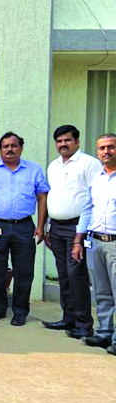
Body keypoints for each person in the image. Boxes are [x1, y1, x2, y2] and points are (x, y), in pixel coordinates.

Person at [0, 132, 49, 326]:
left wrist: (41, 226)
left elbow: (42, 197)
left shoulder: (34, 170)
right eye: (5, 146)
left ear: (21, 148)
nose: (9, 149)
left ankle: (20, 311)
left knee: (24, 271)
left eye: (13, 145)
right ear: (0, 149)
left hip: (24, 226)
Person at [43, 125, 98, 337]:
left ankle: (84, 324)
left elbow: (93, 199)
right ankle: (68, 319)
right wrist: (49, 227)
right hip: (57, 227)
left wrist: (81, 234)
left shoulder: (89, 164)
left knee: (77, 275)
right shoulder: (53, 166)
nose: (63, 144)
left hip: (78, 228)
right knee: (64, 275)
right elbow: (54, 197)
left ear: (77, 141)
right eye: (59, 141)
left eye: (67, 140)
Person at [74, 134, 116, 355]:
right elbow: (87, 209)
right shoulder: (96, 178)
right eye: (102, 148)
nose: (106, 152)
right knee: (101, 291)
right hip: (95, 241)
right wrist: (78, 240)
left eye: (111, 147)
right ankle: (104, 332)